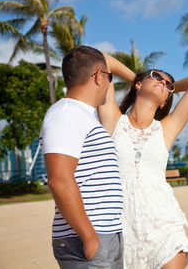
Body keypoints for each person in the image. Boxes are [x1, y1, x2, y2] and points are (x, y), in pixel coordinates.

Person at [97, 52, 188, 268]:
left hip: (164, 225)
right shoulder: (113, 121)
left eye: (168, 85)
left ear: (166, 100)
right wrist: (136, 77)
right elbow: (102, 60)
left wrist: (164, 86)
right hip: (122, 228)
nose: (162, 83)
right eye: (156, 76)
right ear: (138, 85)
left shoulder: (166, 129)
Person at [39, 46, 124, 268]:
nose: (110, 83)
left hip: (105, 234)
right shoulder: (67, 113)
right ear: (98, 77)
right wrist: (89, 237)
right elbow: (59, 180)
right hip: (86, 237)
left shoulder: (83, 116)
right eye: (109, 77)